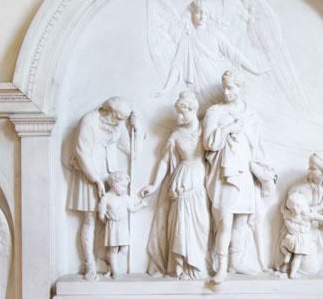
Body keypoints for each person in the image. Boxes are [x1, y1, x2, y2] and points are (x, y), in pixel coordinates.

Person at [203, 70, 276, 282]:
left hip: (244, 170)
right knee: (225, 221)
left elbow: (256, 146)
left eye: (231, 88)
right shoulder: (214, 112)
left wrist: (265, 168)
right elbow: (208, 143)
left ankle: (235, 262)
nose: (227, 92)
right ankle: (221, 267)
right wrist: (228, 128)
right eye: (224, 88)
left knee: (241, 221)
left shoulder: (250, 114)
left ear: (240, 87)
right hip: (225, 172)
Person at [141, 90, 211, 280]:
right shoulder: (176, 135)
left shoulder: (206, 130)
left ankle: (197, 265)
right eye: (177, 113)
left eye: (182, 113)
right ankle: (180, 267)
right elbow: (164, 161)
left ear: (193, 110)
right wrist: (154, 185)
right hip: (182, 180)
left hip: (200, 179)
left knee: (201, 223)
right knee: (181, 223)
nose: (179, 117)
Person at [68, 97, 136, 280]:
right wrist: (96, 180)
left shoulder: (118, 124)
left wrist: (138, 131)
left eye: (123, 119)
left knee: (110, 221)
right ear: (109, 111)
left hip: (110, 176)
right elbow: (81, 153)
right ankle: (90, 264)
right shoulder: (89, 121)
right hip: (89, 174)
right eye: (118, 117)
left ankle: (107, 260)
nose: (120, 122)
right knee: (90, 220)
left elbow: (130, 150)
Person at [97, 171, 147, 277]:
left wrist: (141, 205)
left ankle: (111, 267)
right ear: (114, 183)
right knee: (113, 249)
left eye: (126, 187)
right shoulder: (106, 198)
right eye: (123, 186)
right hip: (112, 225)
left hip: (123, 226)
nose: (125, 189)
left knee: (124, 249)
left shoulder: (125, 197)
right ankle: (115, 272)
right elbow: (101, 215)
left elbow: (132, 209)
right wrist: (109, 223)